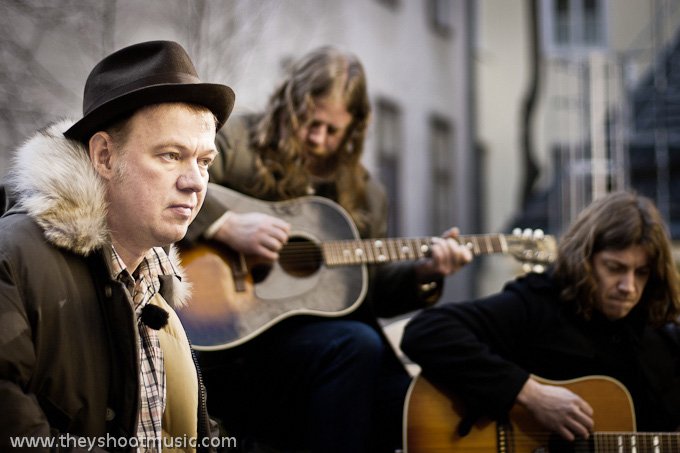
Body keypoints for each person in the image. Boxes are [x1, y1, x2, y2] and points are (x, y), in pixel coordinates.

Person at [182, 46, 473, 453]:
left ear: (354, 128)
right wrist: (226, 225)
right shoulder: (237, 141)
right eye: (309, 122)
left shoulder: (367, 195)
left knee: (401, 396)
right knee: (358, 346)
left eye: (332, 130)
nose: (317, 138)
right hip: (231, 336)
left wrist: (425, 275)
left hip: (314, 338)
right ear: (289, 104)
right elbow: (177, 183)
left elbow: (371, 290)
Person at [0, 40, 235, 452]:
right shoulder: (13, 259)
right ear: (105, 157)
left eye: (204, 161)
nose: (195, 182)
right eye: (170, 155)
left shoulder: (157, 279)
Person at [401, 191, 680, 444]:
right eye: (614, 268)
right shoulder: (540, 302)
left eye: (641, 273)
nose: (628, 286)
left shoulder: (660, 335)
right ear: (584, 260)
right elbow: (426, 330)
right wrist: (530, 394)